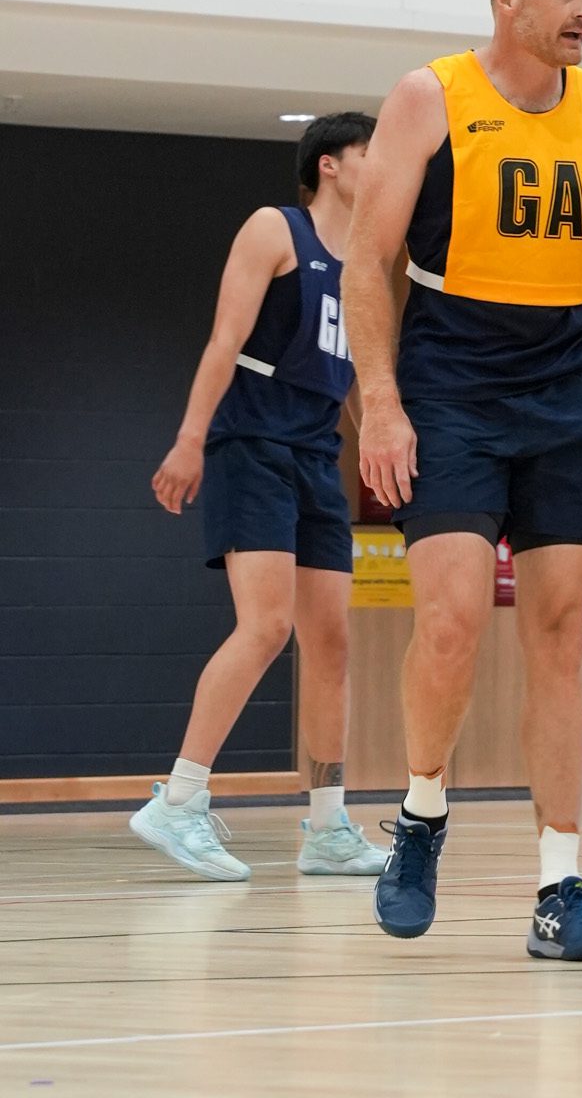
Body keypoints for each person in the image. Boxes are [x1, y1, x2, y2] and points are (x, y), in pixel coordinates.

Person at [342, 0, 582, 963]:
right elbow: (369, 260)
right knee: (448, 621)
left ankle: (558, 884)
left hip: (571, 378)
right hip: (451, 371)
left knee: (559, 633)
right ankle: (421, 810)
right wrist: (383, 399)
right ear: (507, 1)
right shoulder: (431, 95)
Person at [131, 112, 386, 882]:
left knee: (333, 641)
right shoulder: (275, 230)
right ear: (331, 165)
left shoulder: (368, 260)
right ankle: (179, 799)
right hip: (252, 445)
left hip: (316, 454)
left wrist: (377, 438)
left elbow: (347, 375)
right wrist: (188, 439)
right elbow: (222, 341)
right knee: (267, 626)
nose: (384, 164)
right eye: (371, 151)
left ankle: (329, 825)